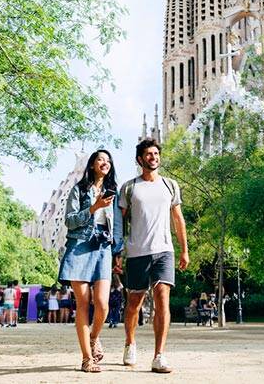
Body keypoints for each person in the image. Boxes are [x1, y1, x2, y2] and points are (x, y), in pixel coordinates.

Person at [116, 138, 188, 374]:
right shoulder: (129, 187)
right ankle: (130, 343)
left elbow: (178, 219)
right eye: (149, 154)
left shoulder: (170, 185)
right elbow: (120, 222)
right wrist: (117, 252)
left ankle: (159, 355)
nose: (153, 157)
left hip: (164, 251)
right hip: (137, 253)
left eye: (156, 153)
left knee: (162, 300)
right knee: (134, 304)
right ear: (140, 159)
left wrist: (184, 249)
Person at [58, 150, 124, 373]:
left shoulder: (112, 191)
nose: (104, 163)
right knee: (83, 304)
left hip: (103, 246)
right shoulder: (79, 189)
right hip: (80, 245)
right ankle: (87, 358)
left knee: (103, 304)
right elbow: (69, 220)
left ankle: (94, 337)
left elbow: (117, 225)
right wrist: (94, 207)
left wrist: (118, 251)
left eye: (108, 160)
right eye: (100, 159)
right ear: (92, 164)